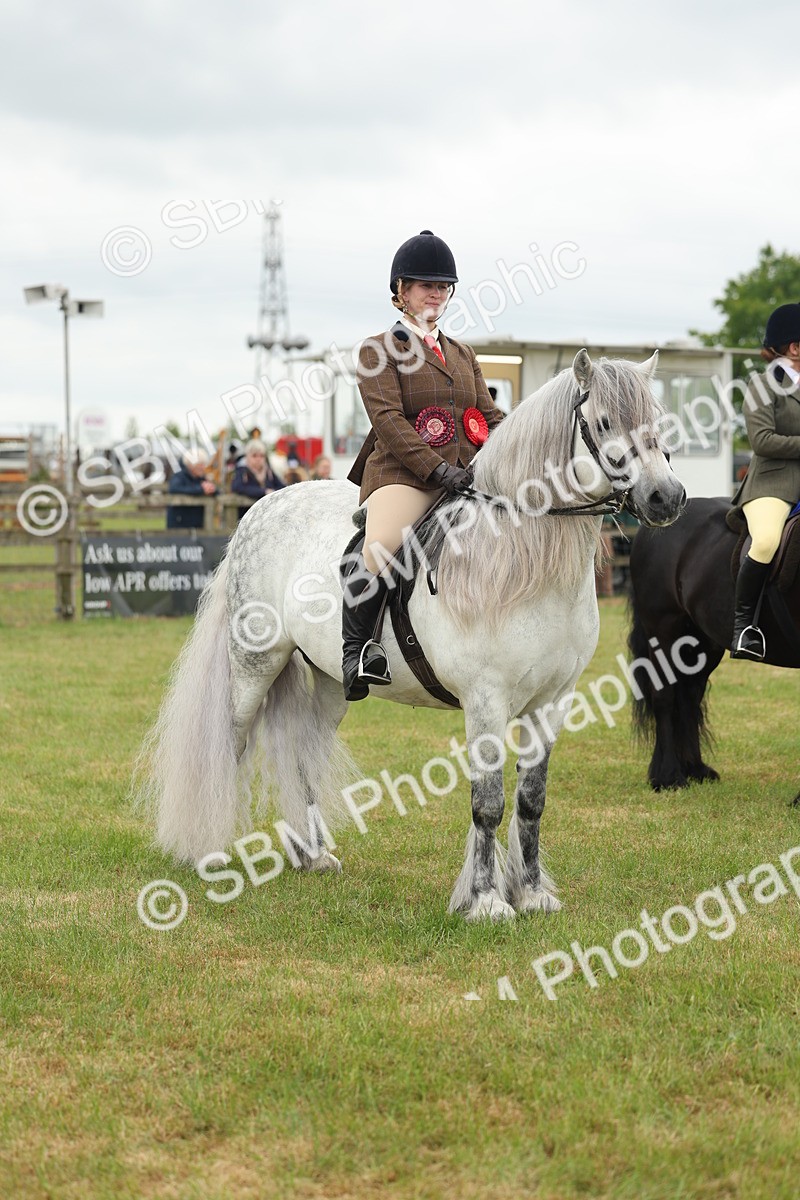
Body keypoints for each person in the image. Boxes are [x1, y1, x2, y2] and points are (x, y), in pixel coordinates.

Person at [343, 229, 505, 701]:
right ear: (401, 292)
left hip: (468, 473)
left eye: (442, 286)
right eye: (424, 285)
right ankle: (358, 650)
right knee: (381, 545)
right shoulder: (377, 350)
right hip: (405, 473)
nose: (436, 293)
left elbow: (488, 416)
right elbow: (389, 421)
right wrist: (437, 471)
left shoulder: (462, 353)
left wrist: (521, 443)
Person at [729, 302, 800, 659]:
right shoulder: (762, 385)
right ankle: (744, 628)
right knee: (768, 540)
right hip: (772, 485)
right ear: (794, 347)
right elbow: (762, 441)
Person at [231, 439, 285, 519]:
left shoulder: (268, 471)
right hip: (246, 516)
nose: (258, 459)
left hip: (267, 515)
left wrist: (272, 492)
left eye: (261, 456)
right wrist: (264, 491)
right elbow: (237, 487)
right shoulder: (242, 470)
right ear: (247, 457)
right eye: (254, 455)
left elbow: (282, 487)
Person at [166, 449, 217, 528]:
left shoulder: (202, 479)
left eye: (204, 464)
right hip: (179, 524)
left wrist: (212, 489)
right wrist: (201, 489)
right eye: (200, 465)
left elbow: (217, 491)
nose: (203, 467)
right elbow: (174, 488)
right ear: (191, 465)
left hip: (198, 525)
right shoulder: (179, 477)